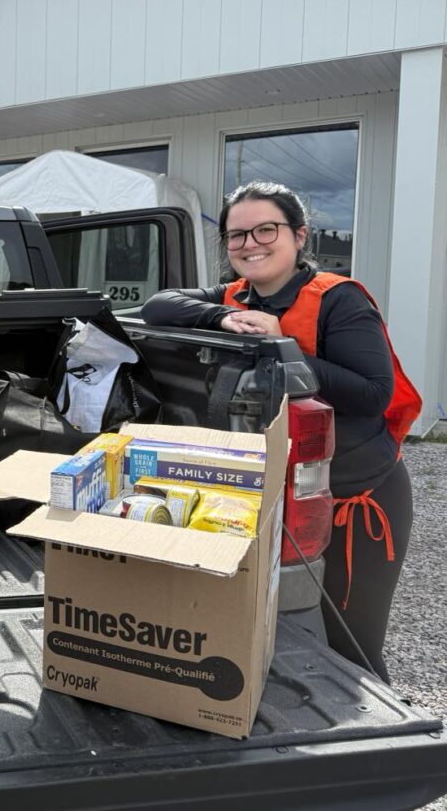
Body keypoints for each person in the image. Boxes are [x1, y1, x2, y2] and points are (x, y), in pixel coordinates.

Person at [141, 180, 420, 682]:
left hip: (355, 500)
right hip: (267, 503)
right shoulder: (234, 298)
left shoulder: (339, 300)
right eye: (236, 235)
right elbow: (158, 305)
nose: (250, 244)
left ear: (299, 235)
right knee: (275, 639)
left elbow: (373, 393)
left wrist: (283, 344)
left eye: (265, 230)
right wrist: (225, 317)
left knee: (349, 647)